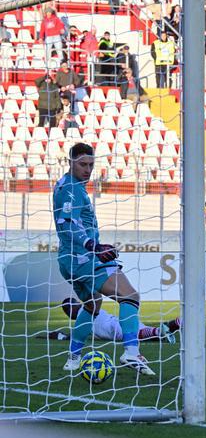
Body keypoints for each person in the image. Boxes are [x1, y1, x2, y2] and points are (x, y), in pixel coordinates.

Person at [54, 143, 154, 375]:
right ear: (70, 162)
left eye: (91, 165)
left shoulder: (68, 185)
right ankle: (131, 352)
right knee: (130, 296)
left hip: (68, 261)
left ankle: (74, 357)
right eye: (82, 164)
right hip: (84, 258)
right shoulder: (71, 189)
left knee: (92, 305)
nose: (87, 169)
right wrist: (93, 246)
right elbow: (67, 224)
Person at [47, 298, 181, 344]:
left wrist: (58, 336)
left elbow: (74, 337)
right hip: (115, 322)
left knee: (137, 334)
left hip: (113, 327)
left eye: (67, 309)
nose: (67, 312)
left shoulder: (83, 317)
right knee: (145, 333)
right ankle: (174, 325)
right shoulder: (88, 309)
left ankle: (162, 330)